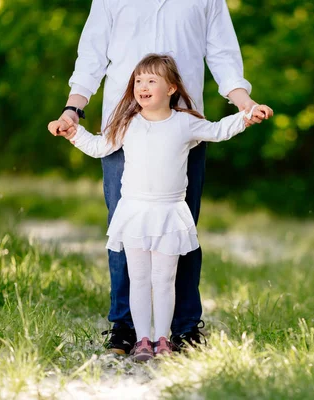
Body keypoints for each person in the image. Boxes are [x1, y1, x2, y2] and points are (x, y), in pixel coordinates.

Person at [50, 0, 272, 354]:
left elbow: (223, 55)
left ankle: (183, 330)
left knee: (181, 233)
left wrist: (245, 106)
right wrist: (73, 110)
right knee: (126, 232)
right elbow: (91, 55)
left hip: (183, 128)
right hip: (122, 126)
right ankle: (125, 329)